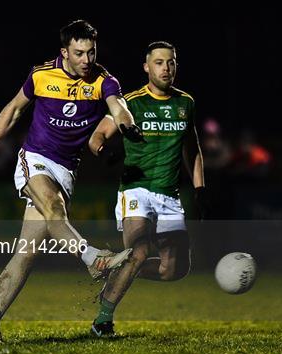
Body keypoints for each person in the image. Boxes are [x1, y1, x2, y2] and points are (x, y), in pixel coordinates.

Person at [0, 20, 144, 344]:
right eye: (79, 53)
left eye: (91, 52)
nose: (86, 59)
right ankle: (93, 259)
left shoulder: (103, 80)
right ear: (64, 52)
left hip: (66, 171)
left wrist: (127, 126)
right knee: (55, 208)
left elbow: (118, 107)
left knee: (25, 254)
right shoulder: (41, 75)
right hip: (35, 159)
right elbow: (15, 108)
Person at [88, 41, 205, 336]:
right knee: (139, 251)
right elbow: (96, 137)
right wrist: (105, 152)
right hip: (136, 190)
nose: (166, 68)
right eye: (159, 63)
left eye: (171, 62)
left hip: (169, 195)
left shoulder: (185, 103)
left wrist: (201, 190)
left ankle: (121, 271)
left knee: (174, 270)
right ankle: (103, 318)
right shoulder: (131, 102)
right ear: (146, 67)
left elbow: (192, 150)